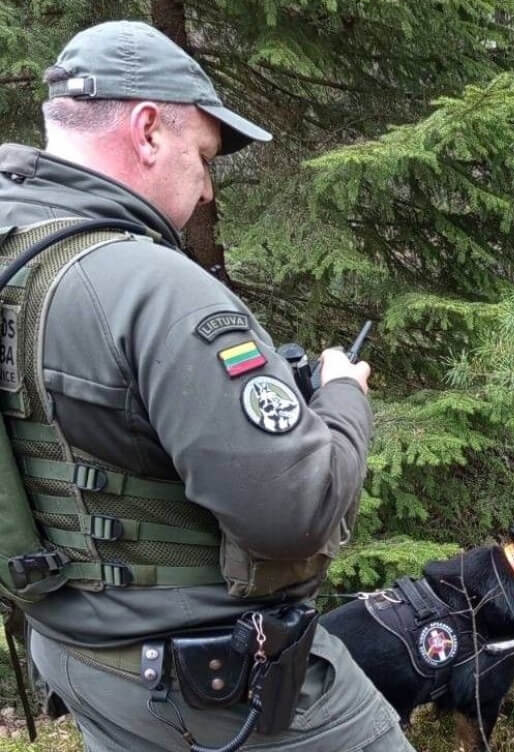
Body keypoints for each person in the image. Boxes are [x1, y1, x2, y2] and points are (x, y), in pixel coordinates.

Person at [0, 21, 413, 751]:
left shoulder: (16, 253)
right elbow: (297, 512)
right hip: (219, 685)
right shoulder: (154, 288)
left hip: (82, 655)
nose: (205, 183)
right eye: (203, 154)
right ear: (149, 130)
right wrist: (344, 394)